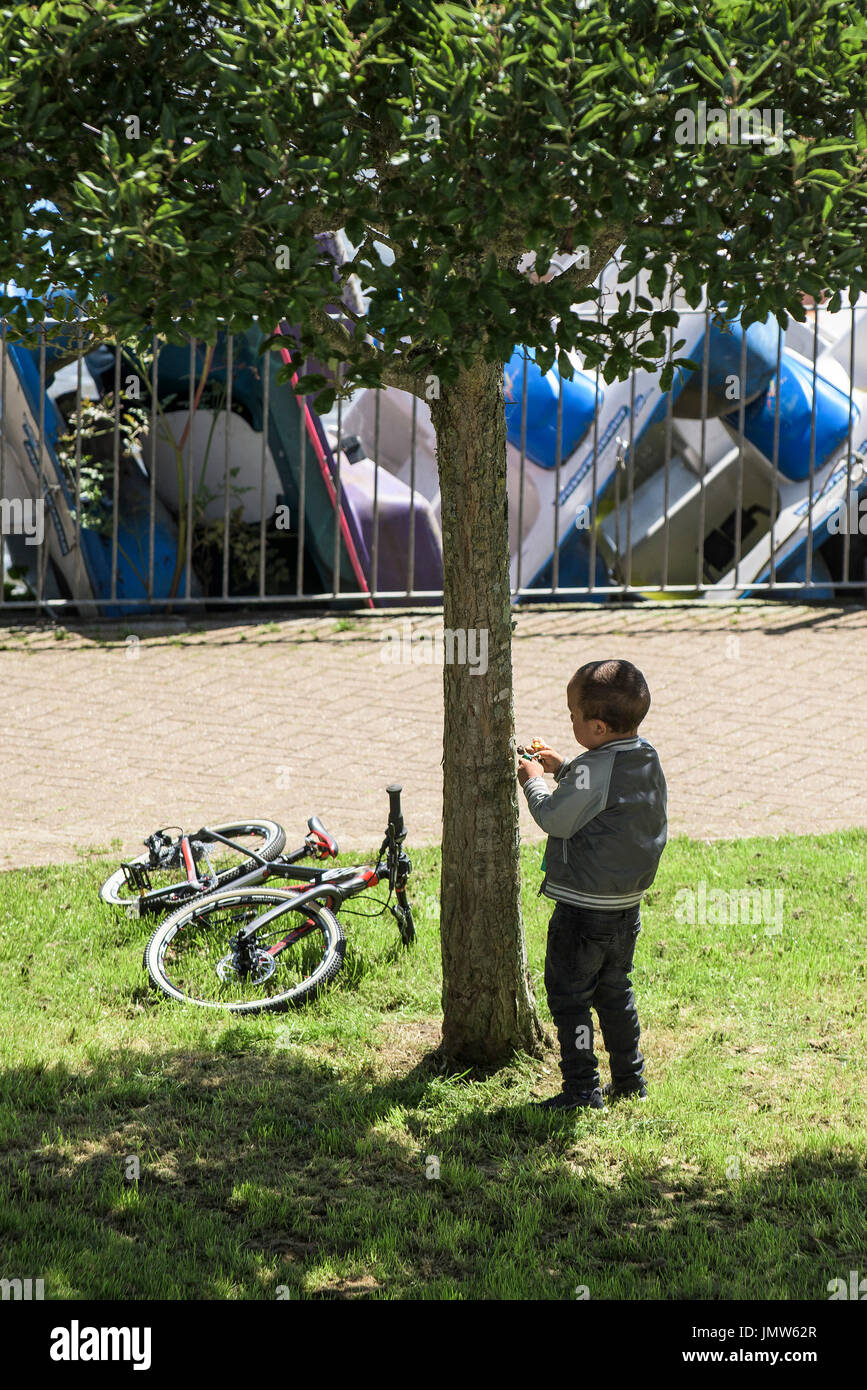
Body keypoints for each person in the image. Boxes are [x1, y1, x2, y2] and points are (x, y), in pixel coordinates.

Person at [516, 659, 667, 1112]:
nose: (570, 720)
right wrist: (565, 766)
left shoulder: (594, 769)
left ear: (598, 726)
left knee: (570, 999)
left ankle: (582, 1090)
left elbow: (557, 820)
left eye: (573, 715)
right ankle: (630, 1078)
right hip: (626, 908)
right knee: (614, 991)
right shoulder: (644, 756)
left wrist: (534, 782)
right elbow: (603, 794)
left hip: (583, 912)